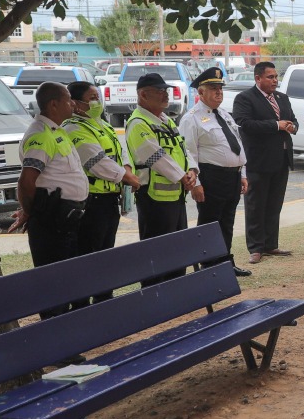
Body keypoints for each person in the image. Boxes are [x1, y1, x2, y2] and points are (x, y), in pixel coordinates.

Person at [11, 82, 89, 315]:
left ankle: (70, 340)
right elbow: (27, 181)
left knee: (68, 281)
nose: (73, 104)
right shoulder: (40, 135)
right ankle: (59, 345)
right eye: (68, 100)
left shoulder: (57, 130)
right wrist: (30, 211)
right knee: (55, 287)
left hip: (66, 219)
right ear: (53, 104)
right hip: (52, 221)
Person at [63, 79, 140, 305]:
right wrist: (127, 177)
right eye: (92, 98)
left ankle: (104, 300)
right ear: (76, 104)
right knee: (89, 256)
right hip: (90, 203)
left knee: (106, 255)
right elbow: (97, 162)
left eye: (98, 96)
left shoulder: (100, 124)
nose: (98, 101)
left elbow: (120, 150)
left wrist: (127, 169)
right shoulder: (74, 128)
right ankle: (82, 305)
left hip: (108, 201)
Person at [179, 67, 251, 276]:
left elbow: (237, 146)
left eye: (220, 88)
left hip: (233, 176)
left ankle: (225, 262)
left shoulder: (224, 115)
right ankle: (209, 265)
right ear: (200, 93)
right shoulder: (191, 118)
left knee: (227, 221)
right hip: (211, 177)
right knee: (210, 223)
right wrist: (197, 184)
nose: (219, 92)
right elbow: (188, 153)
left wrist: (243, 174)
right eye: (213, 88)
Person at [126, 73, 194, 283]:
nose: (166, 95)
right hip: (154, 199)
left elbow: (183, 149)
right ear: (143, 95)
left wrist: (193, 170)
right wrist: (182, 176)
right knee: (156, 254)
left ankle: (175, 292)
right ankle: (155, 295)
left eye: (166, 91)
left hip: (175, 196)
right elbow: (155, 156)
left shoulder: (166, 120)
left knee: (177, 251)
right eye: (160, 91)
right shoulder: (138, 123)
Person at [233, 61, 298, 264]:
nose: (275, 81)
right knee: (255, 205)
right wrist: (275, 125)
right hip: (258, 161)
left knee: (274, 204)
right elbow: (244, 123)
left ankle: (271, 244)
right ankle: (256, 248)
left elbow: (293, 120)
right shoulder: (245, 98)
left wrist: (291, 126)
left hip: (281, 159)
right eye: (270, 77)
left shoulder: (282, 98)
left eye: (276, 77)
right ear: (258, 78)